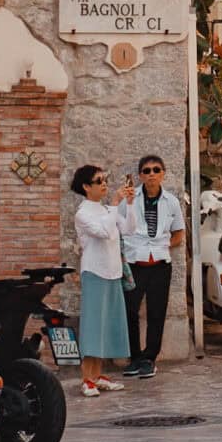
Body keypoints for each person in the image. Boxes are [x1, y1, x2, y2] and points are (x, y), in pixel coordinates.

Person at [71, 164, 137, 397]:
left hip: (113, 272)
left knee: (107, 325)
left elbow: (129, 228)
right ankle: (86, 378)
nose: (104, 184)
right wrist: (117, 205)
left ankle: (98, 375)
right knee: (93, 326)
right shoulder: (83, 213)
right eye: (99, 181)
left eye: (105, 180)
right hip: (95, 272)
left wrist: (128, 204)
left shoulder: (108, 209)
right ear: (86, 187)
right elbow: (104, 232)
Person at [118, 154, 185, 378]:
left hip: (159, 265)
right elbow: (117, 225)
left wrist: (164, 247)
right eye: (146, 171)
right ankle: (134, 357)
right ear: (140, 175)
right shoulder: (129, 199)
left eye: (156, 170)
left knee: (157, 312)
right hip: (135, 264)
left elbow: (179, 233)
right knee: (129, 311)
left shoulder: (172, 201)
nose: (152, 174)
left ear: (163, 173)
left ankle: (149, 358)